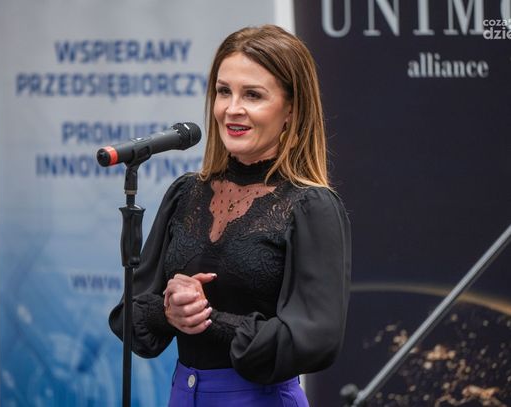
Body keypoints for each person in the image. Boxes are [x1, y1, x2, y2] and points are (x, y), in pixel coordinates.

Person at [109, 24, 351, 407]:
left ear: (292, 109)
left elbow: (314, 340)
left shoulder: (310, 206)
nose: (232, 109)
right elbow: (130, 313)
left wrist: (207, 316)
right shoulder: (186, 193)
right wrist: (169, 311)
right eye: (224, 91)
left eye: (252, 95)